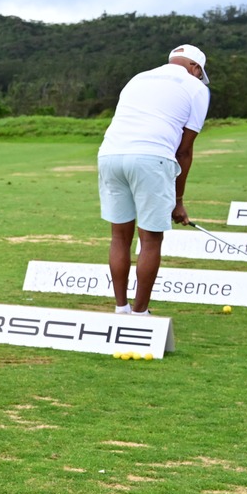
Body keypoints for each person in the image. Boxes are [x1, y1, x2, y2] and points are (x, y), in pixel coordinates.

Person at [95, 45, 209, 315]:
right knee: (150, 239)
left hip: (109, 155)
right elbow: (184, 151)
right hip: (151, 158)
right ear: (195, 67)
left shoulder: (138, 78)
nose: (199, 77)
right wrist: (178, 201)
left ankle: (121, 308)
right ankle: (140, 313)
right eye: (199, 73)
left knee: (119, 237)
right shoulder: (196, 88)